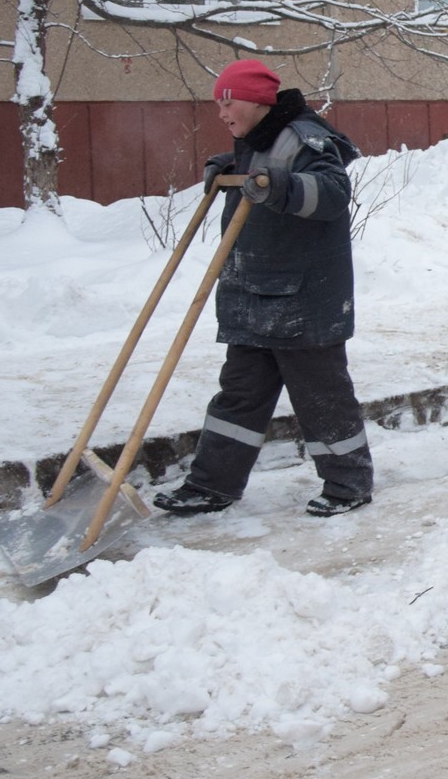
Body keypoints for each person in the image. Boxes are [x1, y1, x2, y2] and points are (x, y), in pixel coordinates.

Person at [153, 59, 376, 518]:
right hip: (257, 295)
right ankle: (212, 485)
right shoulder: (256, 142)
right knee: (239, 396)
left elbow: (331, 192)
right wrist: (233, 168)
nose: (221, 112)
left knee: (321, 397)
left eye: (228, 101)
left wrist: (278, 185)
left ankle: (348, 484)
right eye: (218, 103)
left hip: (303, 301)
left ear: (256, 101)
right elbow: (262, 179)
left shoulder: (303, 136)